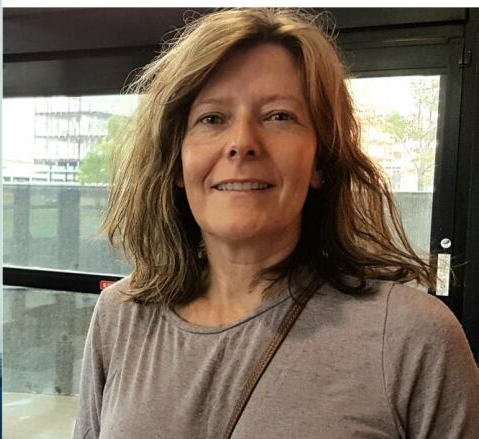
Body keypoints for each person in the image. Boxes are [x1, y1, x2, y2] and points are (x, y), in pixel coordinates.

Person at [73, 8, 479, 439]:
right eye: (212, 118)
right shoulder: (120, 316)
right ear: (176, 162)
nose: (243, 143)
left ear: (320, 160)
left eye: (279, 116)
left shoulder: (411, 338)